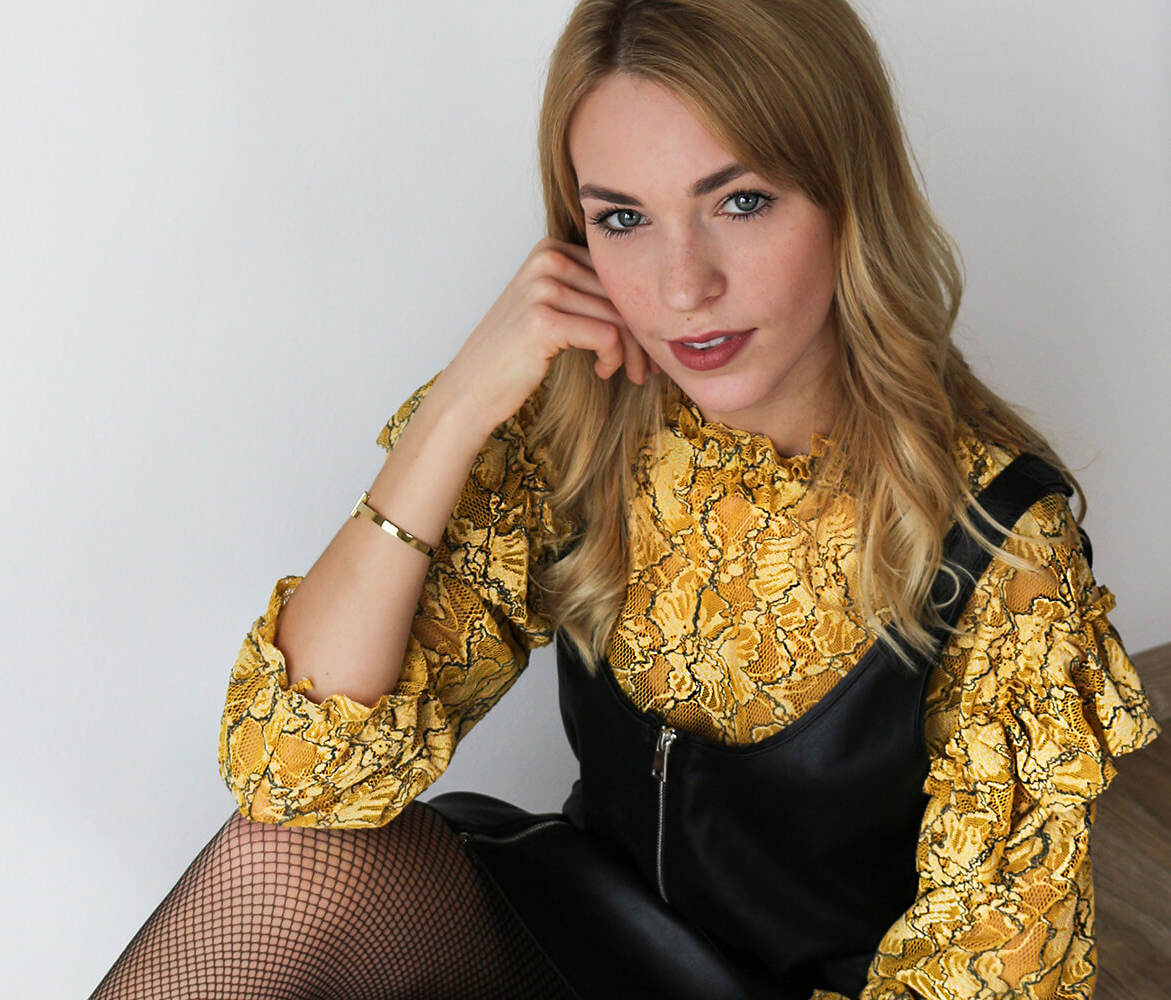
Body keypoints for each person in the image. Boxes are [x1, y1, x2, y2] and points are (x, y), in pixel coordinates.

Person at [89, 1, 1159, 997]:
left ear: (848, 193)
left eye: (741, 201)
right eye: (623, 218)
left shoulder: (1003, 549)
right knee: (279, 862)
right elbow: (293, 774)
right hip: (574, 937)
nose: (682, 286)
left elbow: (980, 971)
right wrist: (458, 406)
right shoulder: (583, 429)